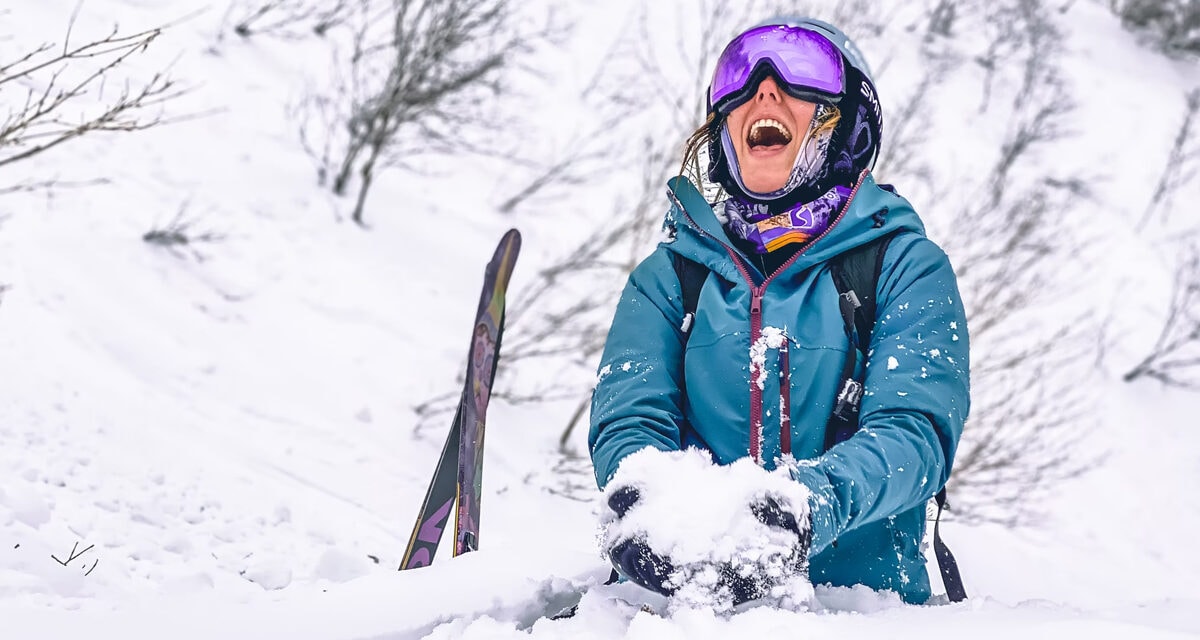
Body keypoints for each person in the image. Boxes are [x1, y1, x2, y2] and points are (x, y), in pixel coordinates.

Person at [588, 16, 971, 606]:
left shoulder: (904, 266)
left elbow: (915, 434)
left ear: (847, 126)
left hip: (858, 614)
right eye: (738, 74)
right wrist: (645, 501)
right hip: (681, 615)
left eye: (804, 73)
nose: (762, 90)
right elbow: (630, 420)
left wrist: (801, 509)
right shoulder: (669, 277)